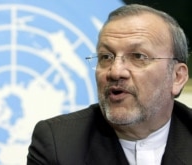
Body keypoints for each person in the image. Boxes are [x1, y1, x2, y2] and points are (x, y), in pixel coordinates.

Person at [27, 4, 191, 165]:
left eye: (138, 56)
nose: (115, 71)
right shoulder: (58, 143)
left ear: (177, 77)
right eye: (106, 57)